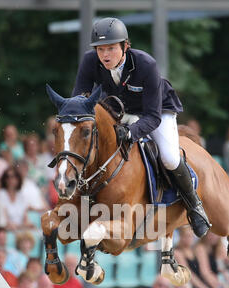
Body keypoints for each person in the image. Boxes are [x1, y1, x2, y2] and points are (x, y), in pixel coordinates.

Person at [72, 17, 210, 238]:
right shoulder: (90, 62)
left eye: (111, 48)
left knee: (169, 157)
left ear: (125, 46)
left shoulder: (146, 65)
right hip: (119, 110)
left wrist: (131, 132)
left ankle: (194, 206)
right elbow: (80, 100)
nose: (105, 55)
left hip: (157, 111)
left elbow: (153, 117)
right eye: (100, 49)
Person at [0, 166, 33, 231]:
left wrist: (24, 226)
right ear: (4, 179)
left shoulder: (21, 195)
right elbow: (5, 220)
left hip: (21, 229)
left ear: (18, 179)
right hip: (7, 230)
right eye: (7, 177)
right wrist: (19, 226)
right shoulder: (1, 194)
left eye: (13, 177)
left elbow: (26, 219)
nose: (10, 180)